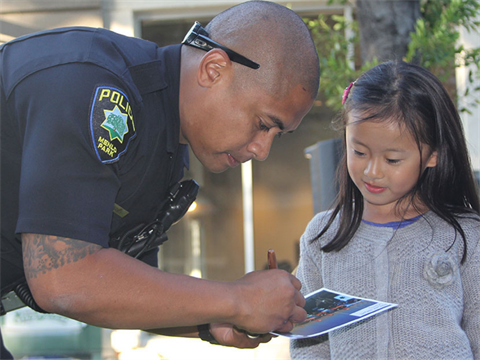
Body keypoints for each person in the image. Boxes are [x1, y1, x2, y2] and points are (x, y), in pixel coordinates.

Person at [0, 1, 320, 357]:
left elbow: (122, 290)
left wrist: (212, 323)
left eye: (279, 136)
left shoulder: (165, 144)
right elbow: (64, 279)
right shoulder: (93, 84)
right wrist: (236, 300)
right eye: (263, 124)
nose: (262, 150)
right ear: (213, 70)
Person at [290, 61, 480, 359]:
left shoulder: (465, 235)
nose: (372, 171)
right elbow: (311, 345)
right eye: (359, 152)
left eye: (392, 159)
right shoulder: (323, 237)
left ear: (433, 155)